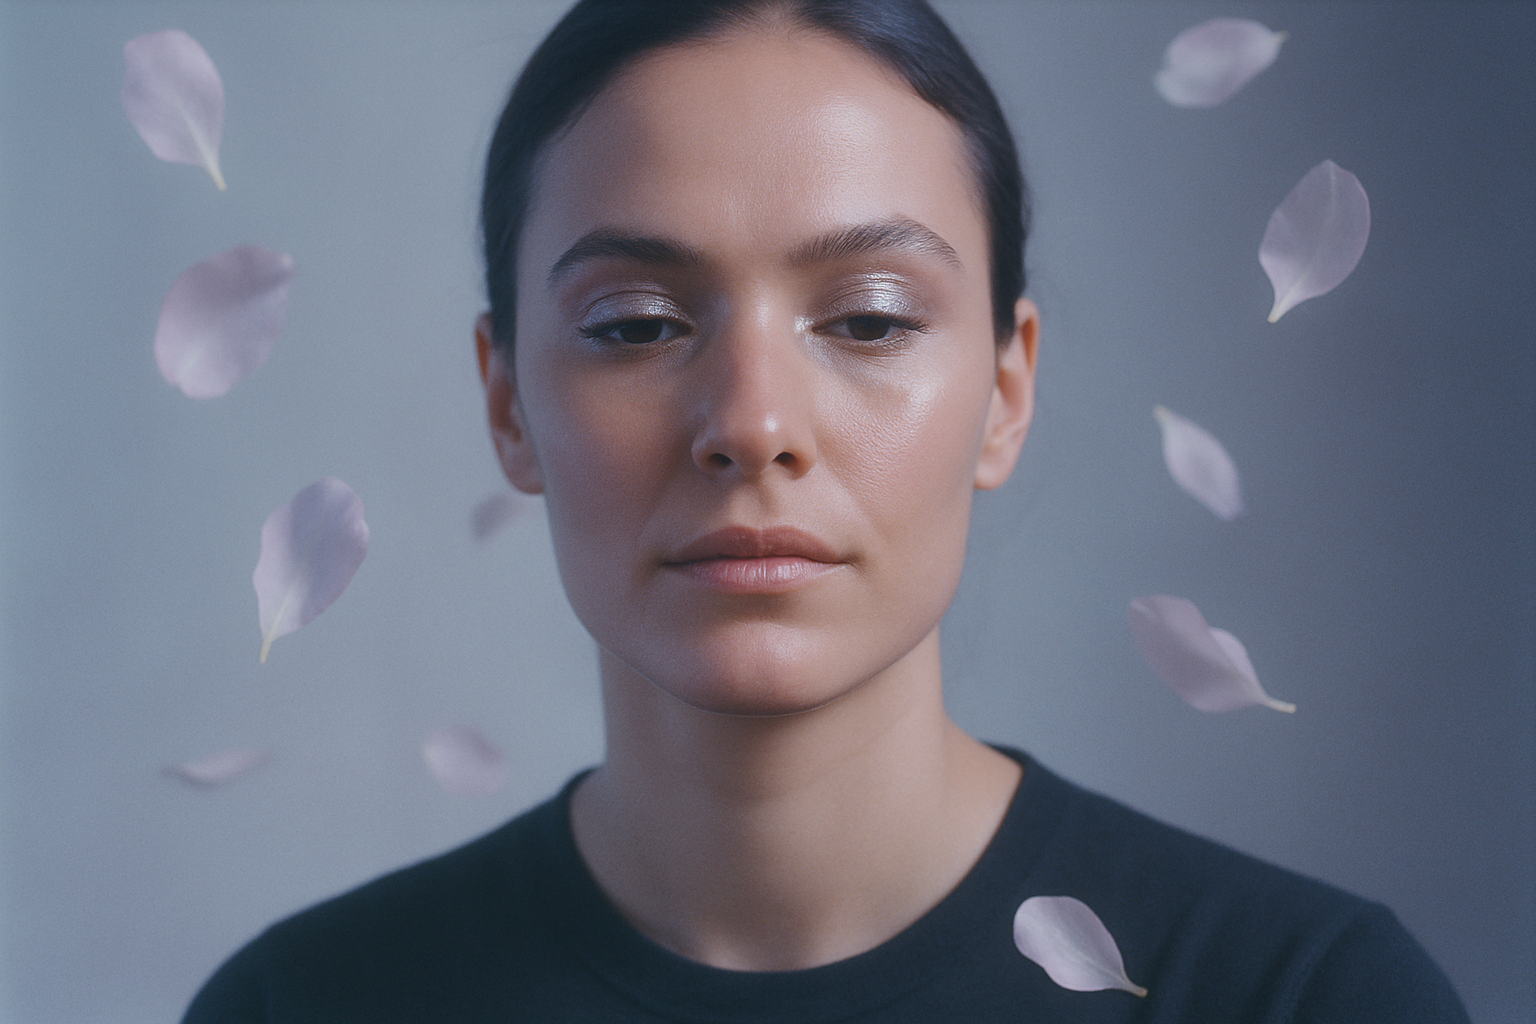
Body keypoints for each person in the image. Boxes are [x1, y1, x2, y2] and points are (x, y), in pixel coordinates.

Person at [183, 1, 1469, 1019]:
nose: (752, 422)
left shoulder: (1300, 996)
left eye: (868, 319)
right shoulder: (303, 1003)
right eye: (635, 325)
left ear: (1007, 390)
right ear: (508, 403)